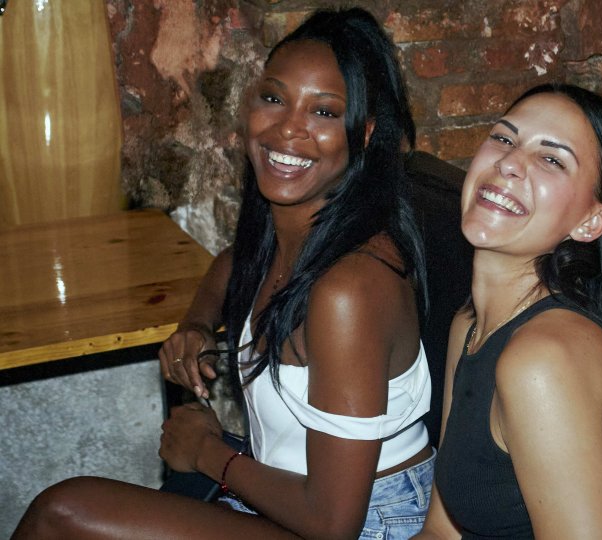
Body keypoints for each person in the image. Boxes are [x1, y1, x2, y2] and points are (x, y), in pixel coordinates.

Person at [12, 8, 434, 540]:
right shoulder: (288, 235)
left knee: (63, 512)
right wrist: (196, 323)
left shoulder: (349, 289)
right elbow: (234, 263)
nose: (288, 128)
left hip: (369, 522)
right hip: (293, 500)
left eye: (324, 112)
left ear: (364, 134)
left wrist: (207, 453)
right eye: (274, 98)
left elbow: (333, 524)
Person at [414, 83, 602, 539]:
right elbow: (443, 530)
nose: (509, 163)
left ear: (590, 222)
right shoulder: (470, 325)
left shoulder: (544, 360)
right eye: (504, 138)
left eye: (552, 160)